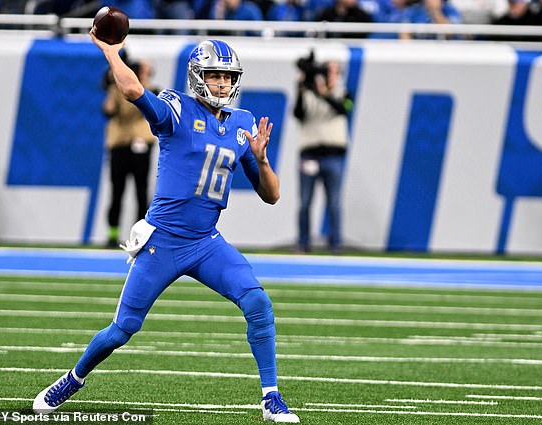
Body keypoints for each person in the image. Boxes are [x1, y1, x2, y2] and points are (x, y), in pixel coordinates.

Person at [33, 36, 300, 423]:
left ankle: (271, 397)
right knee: (122, 329)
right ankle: (73, 378)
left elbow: (272, 196)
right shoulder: (177, 108)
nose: (223, 84)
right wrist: (110, 50)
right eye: (214, 75)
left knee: (258, 303)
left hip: (206, 242)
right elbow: (131, 89)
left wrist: (261, 159)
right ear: (197, 76)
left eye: (228, 77)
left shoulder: (243, 125)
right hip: (163, 242)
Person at [293, 53, 351, 254]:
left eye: (334, 71)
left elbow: (344, 109)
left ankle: (336, 244)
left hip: (333, 155)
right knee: (305, 202)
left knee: (334, 202)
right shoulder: (308, 93)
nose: (329, 75)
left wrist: (325, 93)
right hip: (310, 153)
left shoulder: (343, 94)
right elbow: (298, 113)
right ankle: (303, 243)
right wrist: (301, 88)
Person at [103, 56, 158, 248]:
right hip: (119, 143)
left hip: (141, 141)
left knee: (141, 192)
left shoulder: (149, 90)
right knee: (117, 191)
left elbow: (152, 105)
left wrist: (143, 78)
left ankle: (141, 236)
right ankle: (113, 234)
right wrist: (113, 82)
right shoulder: (118, 90)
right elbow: (108, 110)